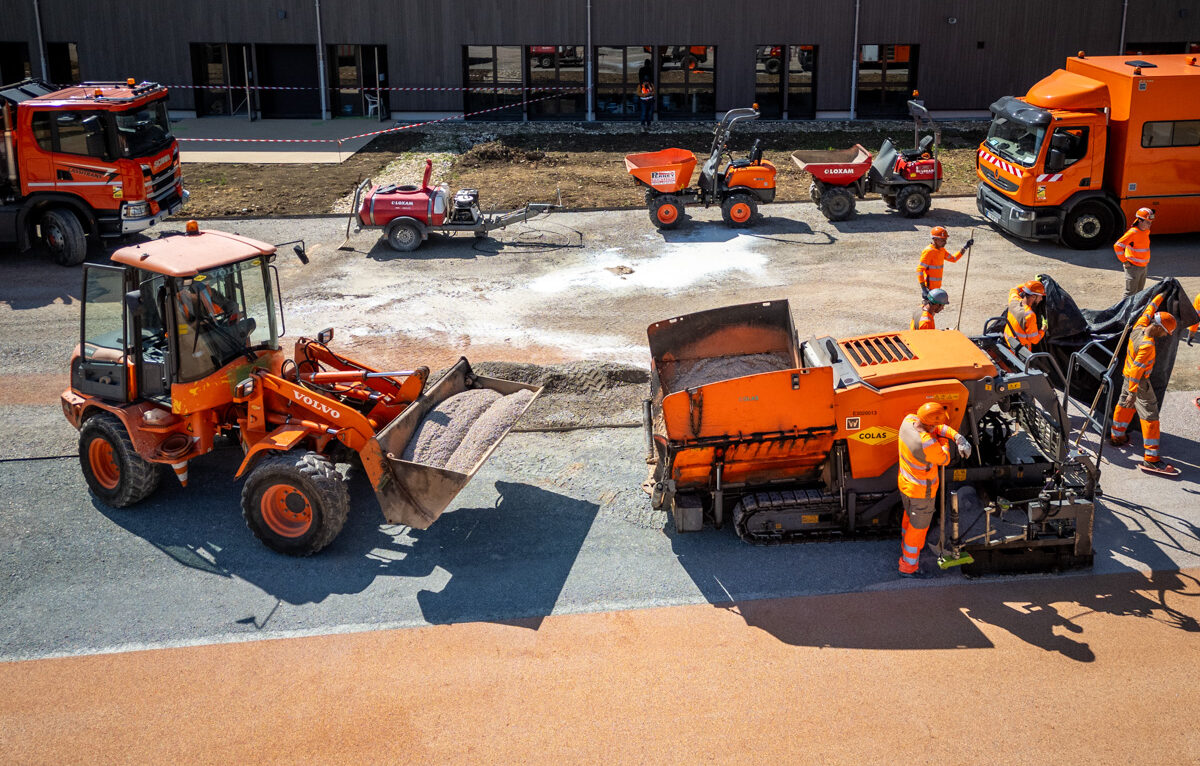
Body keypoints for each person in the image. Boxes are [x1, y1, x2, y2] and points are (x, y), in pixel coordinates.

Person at [897, 402, 971, 578]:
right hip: (922, 494)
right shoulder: (928, 444)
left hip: (907, 486)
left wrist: (958, 437)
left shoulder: (908, 421)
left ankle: (907, 552)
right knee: (918, 529)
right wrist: (945, 440)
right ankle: (908, 567)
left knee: (909, 521)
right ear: (930, 425)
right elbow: (944, 458)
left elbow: (938, 428)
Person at [1110, 293, 1179, 475]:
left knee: (1123, 405)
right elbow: (1137, 371)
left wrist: (1161, 295)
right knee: (1150, 415)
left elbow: (1149, 310)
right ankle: (1151, 459)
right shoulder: (1147, 346)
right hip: (1138, 382)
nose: (1166, 335)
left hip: (1126, 376)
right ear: (1158, 328)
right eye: (1166, 332)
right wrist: (1134, 392)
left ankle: (1117, 436)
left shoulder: (1138, 326)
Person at [917, 226, 971, 299]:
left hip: (937, 288)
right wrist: (923, 289)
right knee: (929, 309)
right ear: (935, 239)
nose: (945, 242)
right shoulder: (929, 251)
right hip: (929, 289)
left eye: (945, 239)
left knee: (935, 309)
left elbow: (953, 259)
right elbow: (920, 270)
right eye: (943, 240)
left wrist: (965, 247)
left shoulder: (942, 250)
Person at [1114, 207, 1154, 298]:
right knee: (1130, 294)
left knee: (1139, 293)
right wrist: (1124, 261)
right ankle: (1124, 311)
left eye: (1150, 222)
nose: (1150, 224)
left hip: (1143, 266)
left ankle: (1135, 311)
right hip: (1133, 267)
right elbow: (1117, 246)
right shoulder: (1133, 233)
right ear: (1140, 220)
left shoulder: (1146, 231)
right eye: (1148, 222)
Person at [1003, 279, 1046, 352]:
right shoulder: (1029, 315)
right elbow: (1034, 340)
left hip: (1008, 343)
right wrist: (1043, 329)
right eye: (1040, 296)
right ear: (1033, 296)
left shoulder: (1013, 300)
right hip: (1020, 352)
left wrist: (1029, 286)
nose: (1041, 299)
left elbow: (1014, 289)